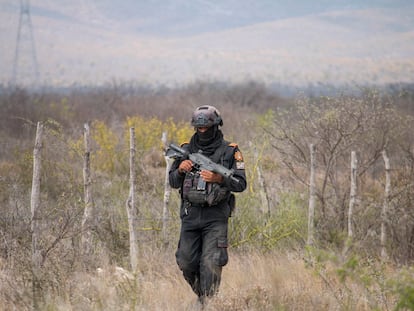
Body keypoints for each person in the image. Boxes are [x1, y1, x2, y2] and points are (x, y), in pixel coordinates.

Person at [169, 105, 247, 305]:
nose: (202, 131)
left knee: (211, 264)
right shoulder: (185, 149)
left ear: (216, 126)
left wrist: (219, 178)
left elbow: (241, 184)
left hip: (216, 217)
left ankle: (206, 303)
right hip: (190, 216)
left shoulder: (230, 151)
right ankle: (203, 296)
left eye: (206, 128)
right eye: (199, 128)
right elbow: (173, 182)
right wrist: (180, 170)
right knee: (186, 262)